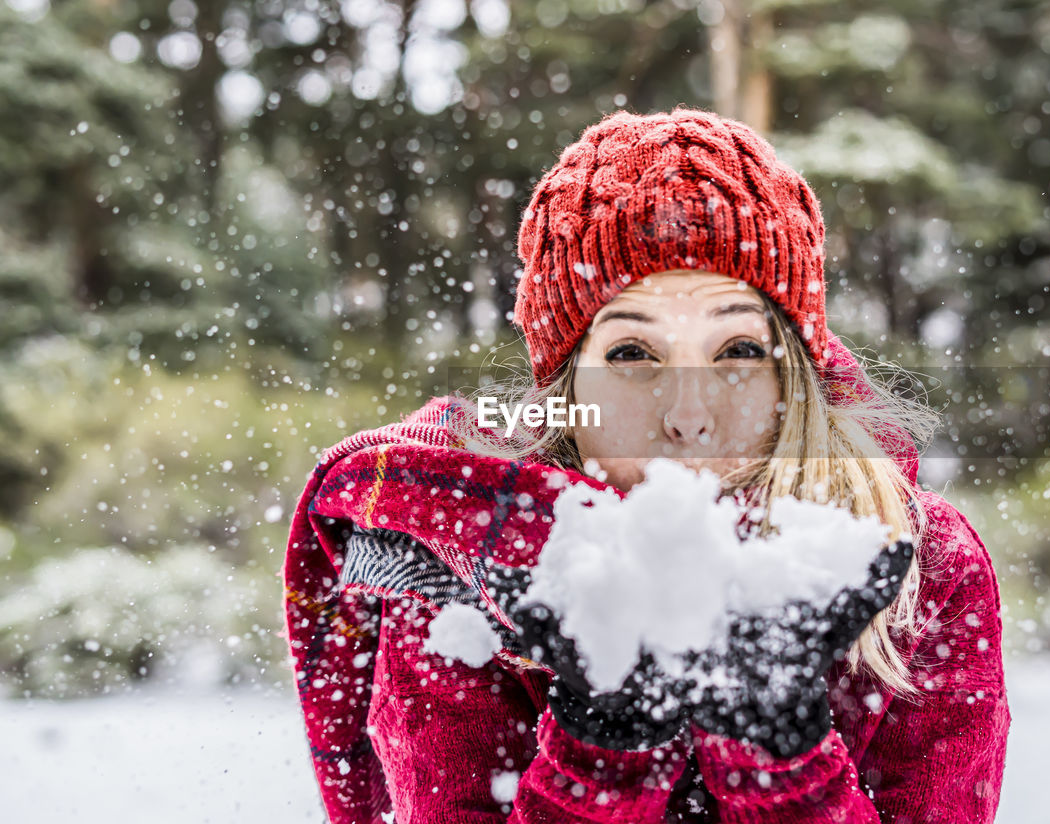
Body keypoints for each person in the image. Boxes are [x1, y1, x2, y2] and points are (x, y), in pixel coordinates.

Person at [281, 107, 1010, 824]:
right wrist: (600, 753)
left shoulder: (919, 565)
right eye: (633, 355)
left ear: (794, 378)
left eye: (738, 352)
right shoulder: (461, 562)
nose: (688, 414)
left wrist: (781, 755)